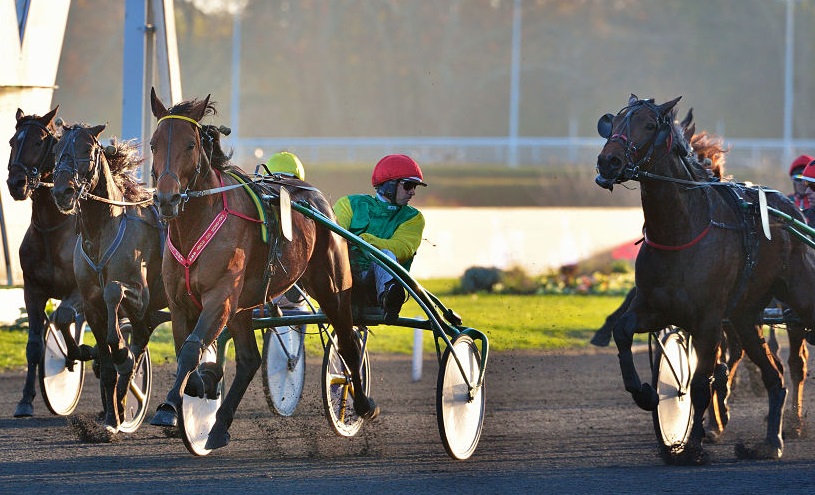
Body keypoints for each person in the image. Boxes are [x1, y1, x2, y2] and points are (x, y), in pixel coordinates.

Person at [333, 154, 426, 322]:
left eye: (415, 187)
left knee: (386, 254)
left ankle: (390, 298)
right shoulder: (349, 204)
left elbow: (402, 249)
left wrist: (365, 240)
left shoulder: (413, 218)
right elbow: (332, 237)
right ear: (390, 185)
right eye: (408, 185)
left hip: (374, 289)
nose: (412, 192)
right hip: (342, 279)